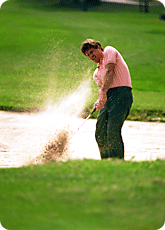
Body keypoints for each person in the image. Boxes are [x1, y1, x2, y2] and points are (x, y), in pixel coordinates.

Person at [81, 39, 133, 159]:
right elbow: (102, 89)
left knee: (112, 130)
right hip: (108, 98)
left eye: (92, 52)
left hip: (121, 95)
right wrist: (99, 101)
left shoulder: (109, 51)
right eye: (88, 55)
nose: (91, 56)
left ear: (99, 47)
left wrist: (103, 93)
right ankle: (106, 161)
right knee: (100, 132)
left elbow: (109, 71)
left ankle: (116, 162)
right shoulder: (97, 72)